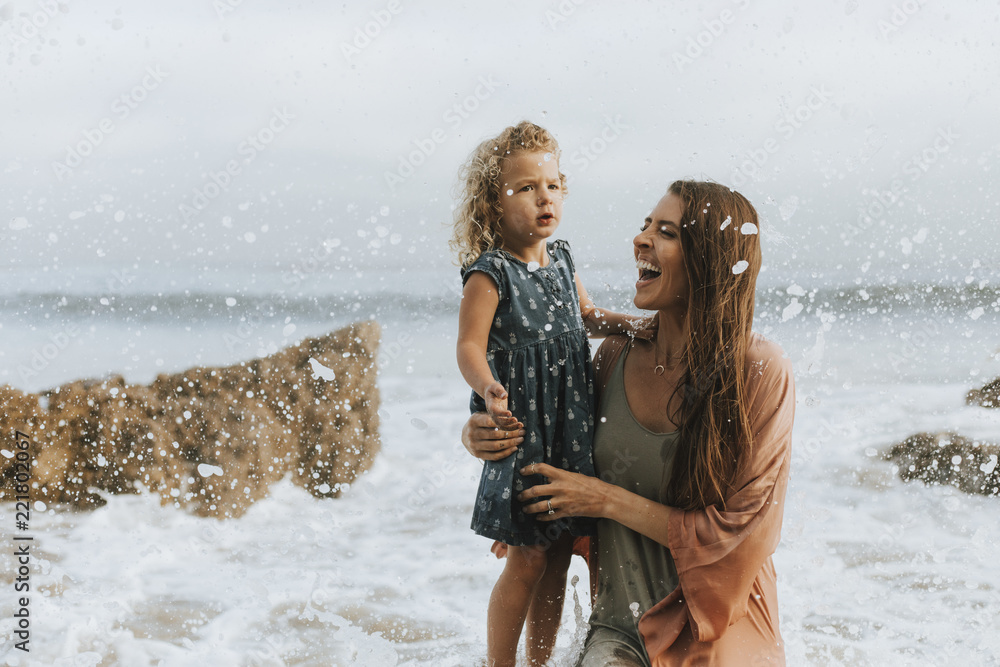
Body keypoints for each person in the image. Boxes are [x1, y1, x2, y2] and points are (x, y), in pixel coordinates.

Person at [462, 180, 795, 666]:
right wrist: (479, 434)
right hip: (616, 632)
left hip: (717, 633)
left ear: (710, 258)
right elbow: (546, 434)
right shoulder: (613, 357)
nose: (641, 240)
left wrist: (605, 500)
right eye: (644, 226)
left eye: (667, 232)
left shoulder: (759, 371)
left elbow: (740, 537)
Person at [452, 121, 635, 667]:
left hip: (569, 428)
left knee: (558, 557)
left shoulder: (563, 260)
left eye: (552, 185)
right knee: (527, 559)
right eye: (526, 188)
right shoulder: (491, 274)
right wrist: (487, 387)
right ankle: (499, 662)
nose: (543, 197)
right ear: (493, 202)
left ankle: (540, 662)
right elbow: (468, 346)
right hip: (524, 429)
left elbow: (586, 316)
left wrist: (632, 325)